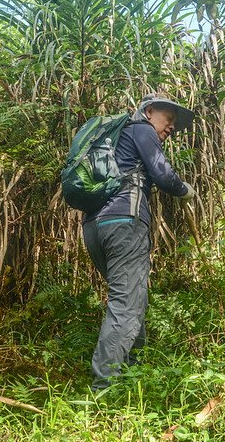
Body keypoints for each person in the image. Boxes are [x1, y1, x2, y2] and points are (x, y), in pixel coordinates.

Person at [83, 94, 197, 391]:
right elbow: (162, 174)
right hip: (125, 224)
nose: (171, 127)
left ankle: (135, 369)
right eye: (168, 119)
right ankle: (104, 388)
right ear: (149, 111)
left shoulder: (115, 138)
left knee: (133, 298)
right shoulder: (141, 129)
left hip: (95, 227)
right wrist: (185, 190)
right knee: (127, 303)